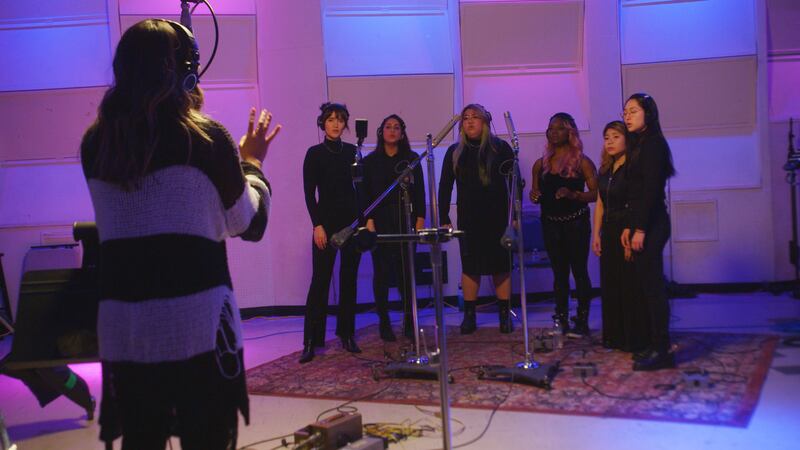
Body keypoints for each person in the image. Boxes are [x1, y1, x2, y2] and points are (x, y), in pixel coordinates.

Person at [80, 19, 278, 449]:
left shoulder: (95, 143)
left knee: (142, 438)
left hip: (126, 329)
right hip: (196, 330)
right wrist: (252, 164)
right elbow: (249, 223)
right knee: (206, 438)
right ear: (186, 71)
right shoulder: (206, 139)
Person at [439, 104, 515, 334]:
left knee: (500, 266)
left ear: (486, 122)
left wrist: (515, 216)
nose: (470, 121)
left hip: (498, 218)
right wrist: (443, 216)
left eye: (475, 117)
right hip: (469, 219)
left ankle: (504, 315)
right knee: (470, 267)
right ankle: (469, 315)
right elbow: (445, 186)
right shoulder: (455, 151)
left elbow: (514, 184)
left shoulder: (501, 148)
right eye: (466, 118)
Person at [301, 102, 363, 363]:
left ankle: (347, 334)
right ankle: (311, 340)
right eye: (330, 119)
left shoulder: (353, 151)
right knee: (320, 281)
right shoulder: (314, 153)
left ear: (345, 123)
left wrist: (361, 223)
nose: (336, 124)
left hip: (351, 223)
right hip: (325, 225)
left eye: (340, 120)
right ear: (322, 123)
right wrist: (317, 225)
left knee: (349, 279)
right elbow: (309, 194)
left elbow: (360, 189)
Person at [621, 93, 677, 371]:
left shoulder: (654, 144)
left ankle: (662, 350)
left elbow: (651, 192)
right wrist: (629, 226)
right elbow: (634, 192)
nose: (627, 116)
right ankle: (653, 343)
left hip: (653, 223)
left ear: (649, 114)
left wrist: (640, 229)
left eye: (633, 111)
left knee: (654, 288)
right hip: (642, 222)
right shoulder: (638, 144)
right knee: (646, 286)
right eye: (625, 112)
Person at [530, 112, 597, 338]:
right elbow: (535, 192)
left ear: (570, 132)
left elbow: (596, 194)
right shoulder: (541, 164)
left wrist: (573, 194)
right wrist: (534, 195)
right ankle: (560, 319)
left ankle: (582, 320)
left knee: (579, 271)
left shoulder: (582, 162)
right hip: (550, 224)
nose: (554, 132)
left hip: (576, 223)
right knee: (559, 274)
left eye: (559, 128)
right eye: (551, 128)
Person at [363, 115, 426, 341]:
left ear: (402, 132)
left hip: (405, 221)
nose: (392, 130)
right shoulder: (370, 161)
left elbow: (420, 192)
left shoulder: (411, 159)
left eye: (396, 127)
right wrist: (368, 221)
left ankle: (409, 321)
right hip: (380, 222)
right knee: (381, 274)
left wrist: (420, 220)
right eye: (388, 127)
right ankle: (384, 322)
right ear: (381, 132)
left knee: (406, 275)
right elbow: (365, 194)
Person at [591, 121, 649, 353]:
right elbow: (600, 203)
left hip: (627, 229)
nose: (610, 142)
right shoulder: (605, 169)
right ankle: (613, 336)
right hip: (608, 230)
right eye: (607, 138)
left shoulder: (633, 167)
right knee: (610, 284)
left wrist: (631, 230)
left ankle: (633, 337)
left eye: (616, 136)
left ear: (627, 139)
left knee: (629, 284)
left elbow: (636, 203)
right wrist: (596, 234)